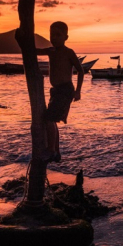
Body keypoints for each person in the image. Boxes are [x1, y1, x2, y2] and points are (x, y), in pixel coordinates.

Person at [37, 21, 84, 162]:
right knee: (52, 120)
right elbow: (33, 51)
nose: (54, 38)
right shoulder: (50, 51)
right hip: (56, 91)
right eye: (52, 35)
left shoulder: (68, 52)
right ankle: (56, 152)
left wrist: (78, 91)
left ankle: (51, 150)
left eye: (58, 35)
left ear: (66, 37)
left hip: (66, 90)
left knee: (49, 119)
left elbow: (81, 71)